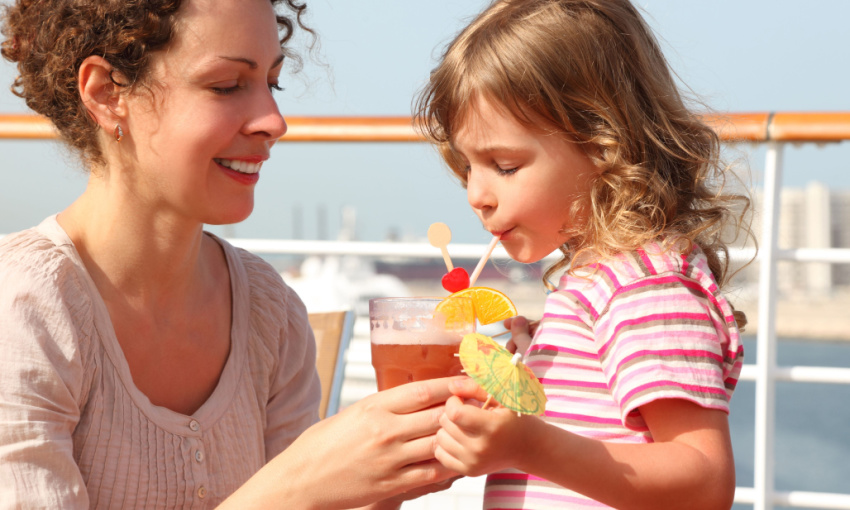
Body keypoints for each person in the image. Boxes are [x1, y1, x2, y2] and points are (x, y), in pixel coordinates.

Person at [0, 0, 458, 508]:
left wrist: (386, 480)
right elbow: (290, 496)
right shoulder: (24, 310)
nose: (274, 121)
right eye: (226, 86)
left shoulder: (270, 312)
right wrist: (295, 488)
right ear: (107, 93)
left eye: (273, 83)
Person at [414, 0, 752, 508]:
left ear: (602, 143)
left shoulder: (645, 289)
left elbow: (704, 482)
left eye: (503, 165)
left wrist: (527, 445)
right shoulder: (598, 285)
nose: (475, 194)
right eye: (467, 167)